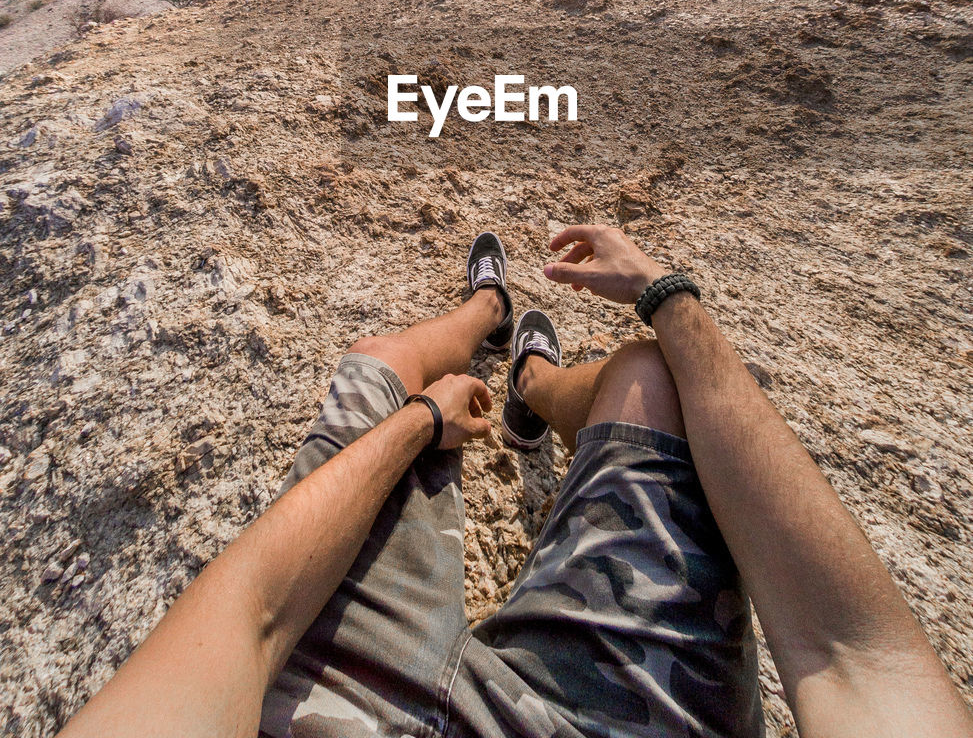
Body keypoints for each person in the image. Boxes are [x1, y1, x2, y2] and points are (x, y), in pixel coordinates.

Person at [58, 226, 973, 738]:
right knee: (649, 377)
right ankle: (528, 383)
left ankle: (486, 315)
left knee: (379, 365)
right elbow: (851, 650)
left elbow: (253, 611)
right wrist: (667, 295)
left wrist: (422, 424)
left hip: (351, 714)